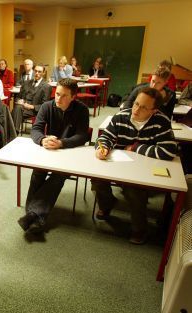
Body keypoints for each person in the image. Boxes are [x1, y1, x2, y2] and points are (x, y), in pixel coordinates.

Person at [92, 87, 177, 244]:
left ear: (154, 110)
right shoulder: (121, 116)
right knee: (97, 179)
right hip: (119, 164)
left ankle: (139, 229)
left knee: (134, 190)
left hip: (144, 170)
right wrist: (102, 148)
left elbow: (168, 151)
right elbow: (106, 137)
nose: (136, 109)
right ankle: (107, 203)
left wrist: (135, 147)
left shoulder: (161, 121)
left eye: (143, 107)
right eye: (136, 103)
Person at [17, 78, 89, 235]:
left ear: (73, 97)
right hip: (48, 150)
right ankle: (34, 214)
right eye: (57, 94)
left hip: (69, 153)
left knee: (59, 176)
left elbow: (83, 136)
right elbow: (36, 129)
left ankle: (32, 213)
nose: (58, 98)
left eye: (64, 96)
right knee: (38, 172)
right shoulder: (46, 106)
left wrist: (62, 143)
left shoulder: (82, 110)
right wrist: (42, 139)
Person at [11, 64, 51, 132]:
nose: (37, 73)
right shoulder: (26, 83)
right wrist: (20, 101)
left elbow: (45, 105)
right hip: (22, 107)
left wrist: (32, 107)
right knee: (16, 109)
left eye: (39, 72)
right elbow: (18, 97)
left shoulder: (46, 86)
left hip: (34, 110)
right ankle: (14, 132)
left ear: (43, 73)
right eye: (35, 71)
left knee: (16, 110)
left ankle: (13, 133)